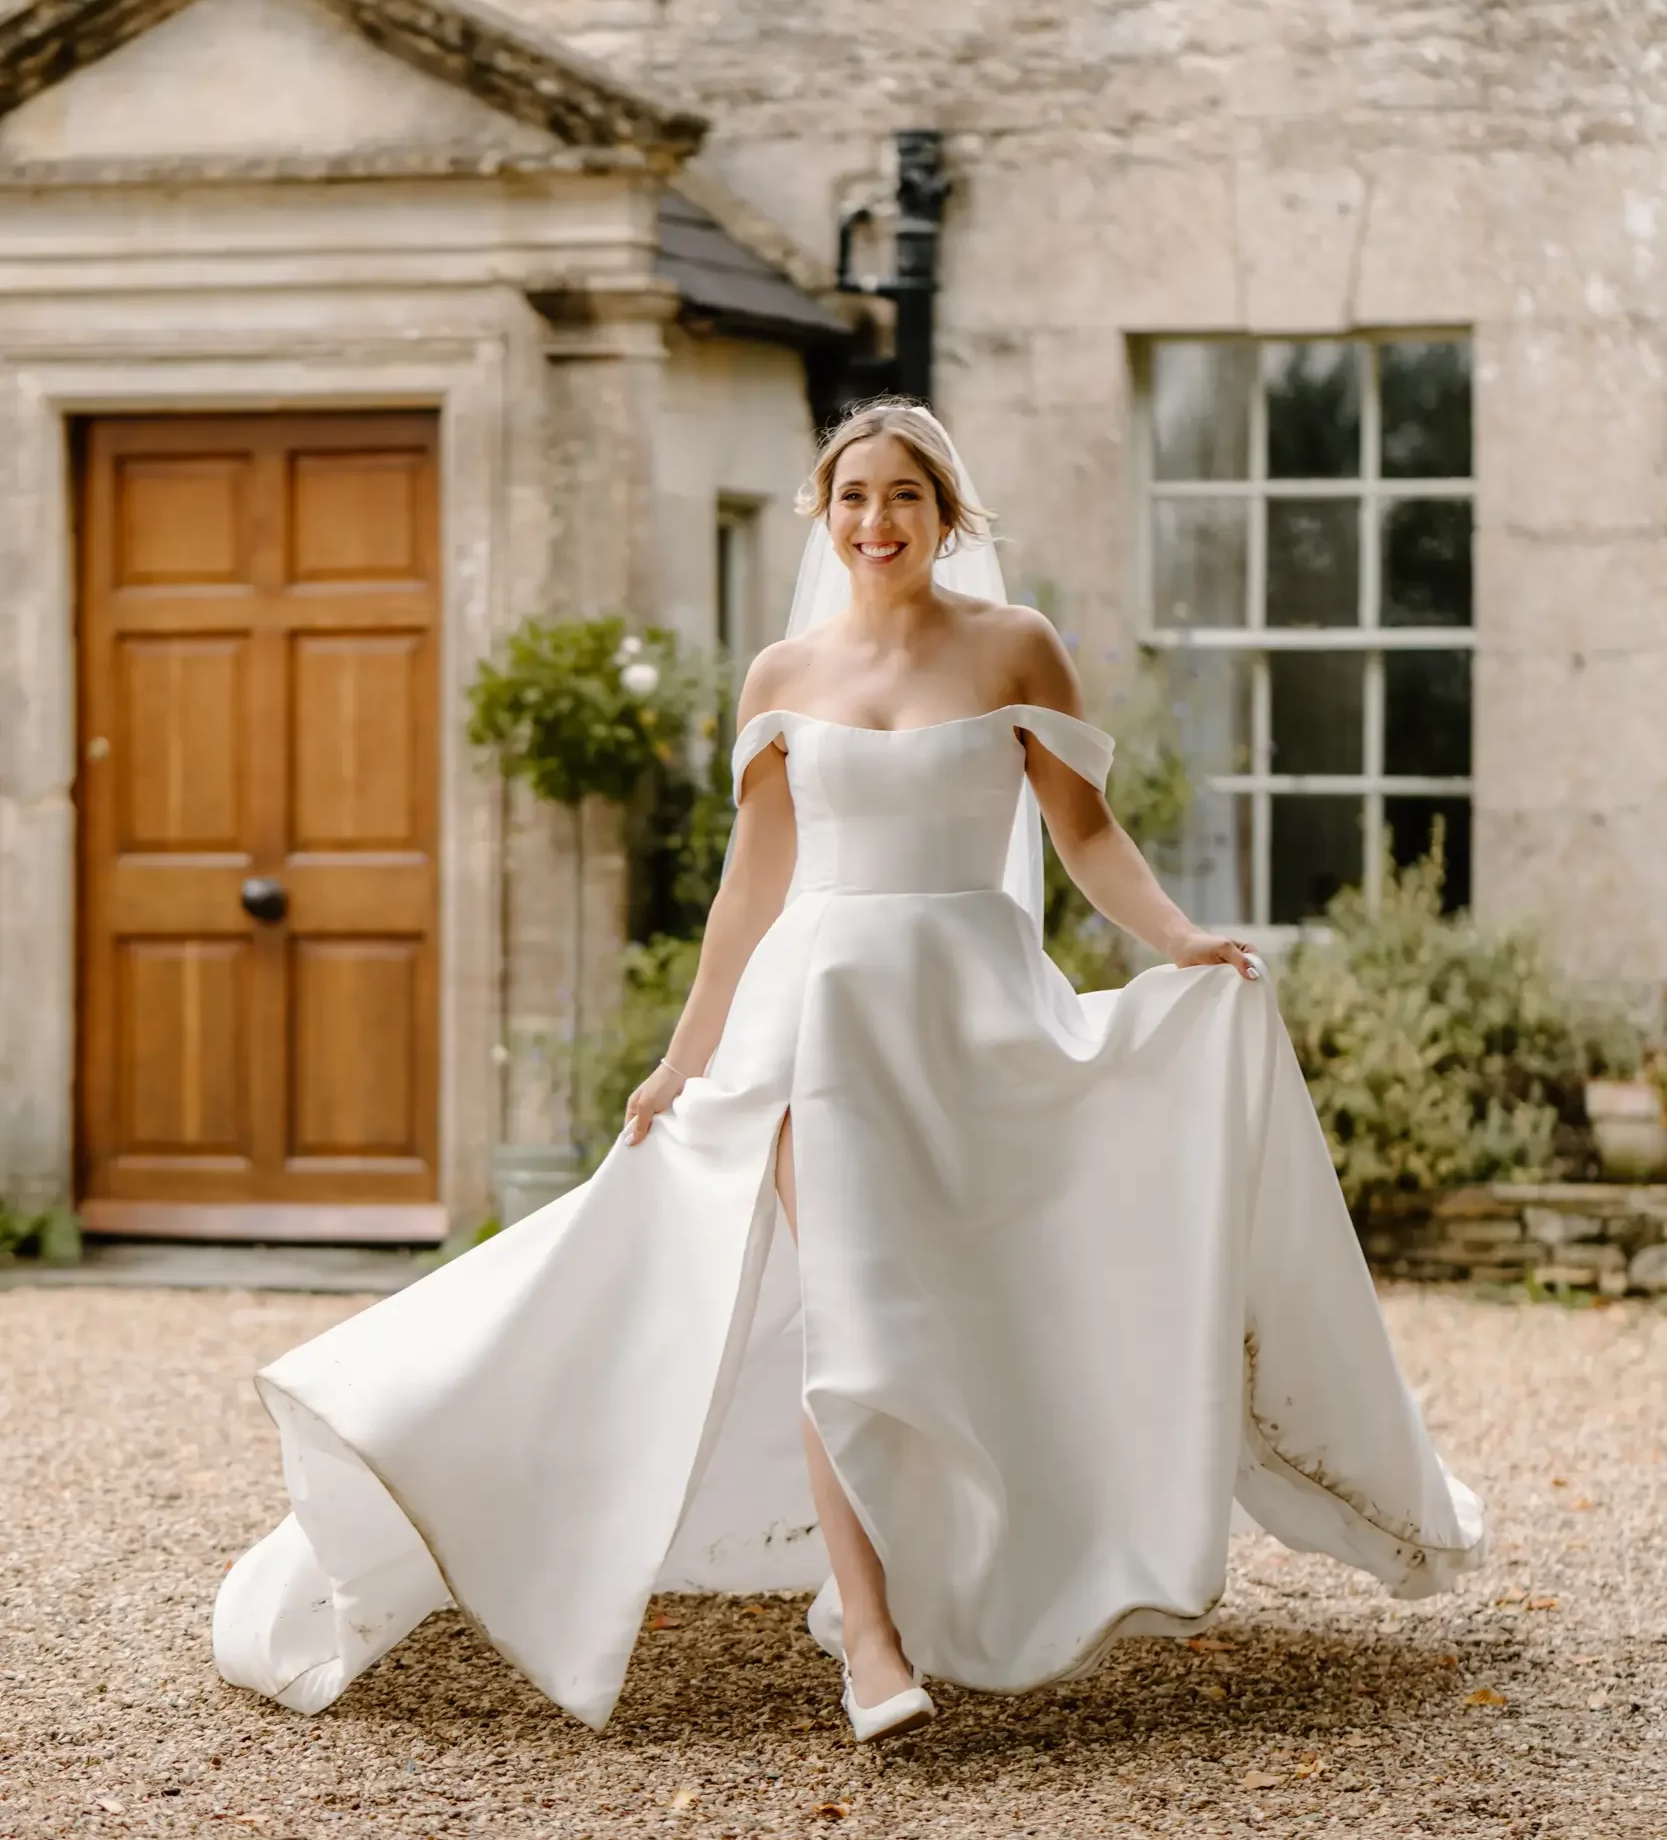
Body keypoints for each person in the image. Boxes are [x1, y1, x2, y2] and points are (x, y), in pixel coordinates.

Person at [214, 399, 1484, 1745]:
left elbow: (1085, 832)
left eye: (903, 498)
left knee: (964, 1307)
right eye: (853, 497)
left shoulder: (1017, 649)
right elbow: (749, 883)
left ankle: (981, 1559)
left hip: (971, 1020)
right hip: (813, 1022)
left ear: (946, 518)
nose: (876, 522)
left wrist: (1177, 943)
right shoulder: (780, 673)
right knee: (848, 1311)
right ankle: (870, 1642)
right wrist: (680, 1057)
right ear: (824, 516)